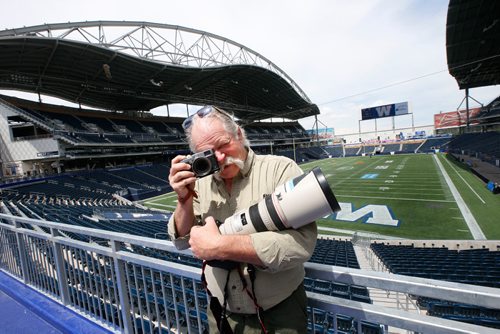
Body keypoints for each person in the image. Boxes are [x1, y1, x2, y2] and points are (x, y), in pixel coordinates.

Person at [167, 105, 318, 334]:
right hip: (221, 312)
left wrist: (222, 246)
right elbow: (181, 240)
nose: (218, 158)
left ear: (239, 133)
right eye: (206, 153)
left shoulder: (280, 169)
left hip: (280, 313)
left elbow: (301, 244)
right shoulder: (199, 183)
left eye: (223, 144)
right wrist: (184, 199)